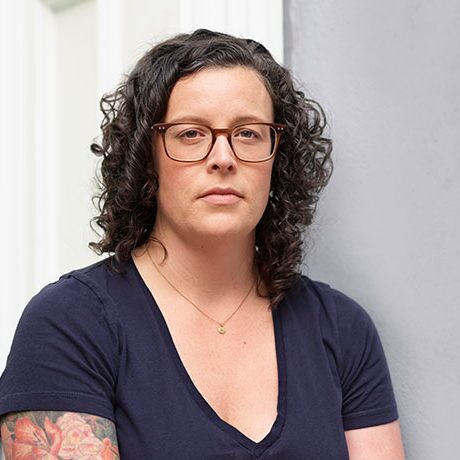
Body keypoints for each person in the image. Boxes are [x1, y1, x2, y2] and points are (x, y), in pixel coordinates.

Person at [0, 29, 405, 459]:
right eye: (191, 133)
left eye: (248, 133)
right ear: (147, 157)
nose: (223, 158)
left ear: (277, 156)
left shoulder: (342, 329)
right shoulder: (70, 324)